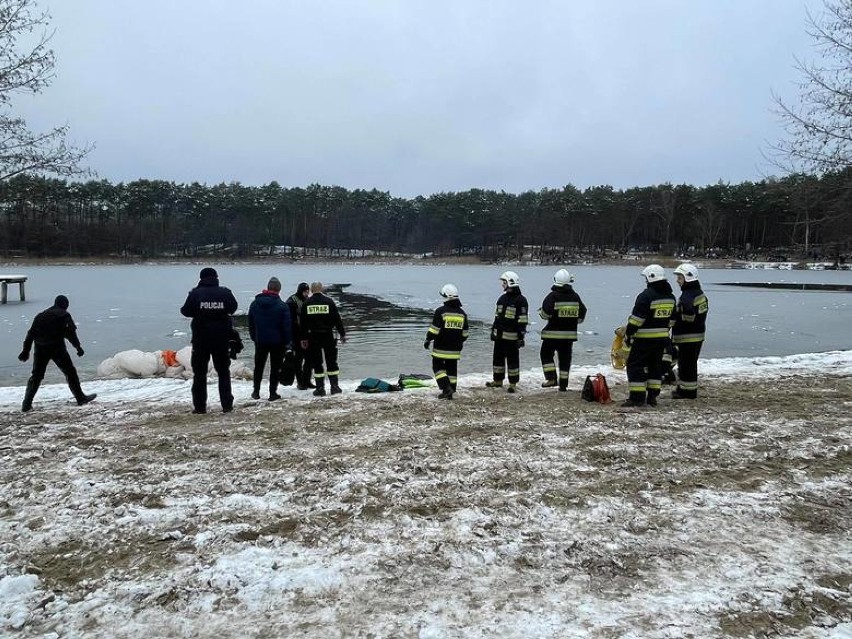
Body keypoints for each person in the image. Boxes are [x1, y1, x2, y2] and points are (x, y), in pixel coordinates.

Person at [18, 295, 96, 412]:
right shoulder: (64, 315)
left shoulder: (40, 316)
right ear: (65, 305)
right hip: (56, 348)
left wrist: (25, 351)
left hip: (40, 348)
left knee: (37, 376)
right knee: (70, 372)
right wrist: (78, 347)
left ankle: (26, 404)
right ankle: (80, 398)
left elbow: (30, 334)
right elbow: (70, 333)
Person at [180, 267, 239, 414]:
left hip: (201, 340)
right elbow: (233, 308)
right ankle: (227, 405)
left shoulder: (195, 294)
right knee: (223, 372)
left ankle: (200, 407)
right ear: (216, 278)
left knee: (199, 374)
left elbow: (185, 311)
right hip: (221, 339)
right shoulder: (225, 292)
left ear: (201, 279)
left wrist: (200, 311)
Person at [621, 264, 676, 408]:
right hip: (662, 340)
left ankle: (637, 398)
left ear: (651, 278)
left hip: (643, 340)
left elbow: (636, 320)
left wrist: (628, 333)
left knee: (634, 366)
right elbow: (672, 320)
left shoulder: (646, 296)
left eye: (646, 278)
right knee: (655, 367)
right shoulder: (671, 297)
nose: (645, 281)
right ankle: (652, 397)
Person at [538, 269, 587, 391]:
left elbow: (545, 314)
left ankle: (551, 379)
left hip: (552, 335)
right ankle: (564, 384)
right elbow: (582, 313)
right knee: (565, 359)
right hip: (568, 336)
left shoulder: (552, 296)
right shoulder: (575, 297)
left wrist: (541, 312)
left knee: (545, 354)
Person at [248, 277, 293, 401]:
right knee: (275, 368)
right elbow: (287, 327)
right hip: (277, 342)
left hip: (260, 340)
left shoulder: (255, 304)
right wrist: (288, 342)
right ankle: (272, 393)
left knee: (259, 366)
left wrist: (254, 337)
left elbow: (251, 323)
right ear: (279, 290)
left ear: (267, 288)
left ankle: (256, 391)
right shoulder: (282, 306)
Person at [424, 283, 469, 400]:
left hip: (440, 348)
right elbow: (465, 334)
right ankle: (452, 389)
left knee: (438, 367)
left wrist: (428, 339)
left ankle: (445, 388)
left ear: (445, 296)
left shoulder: (441, 312)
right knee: (452, 370)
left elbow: (434, 330)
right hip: (455, 350)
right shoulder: (462, 313)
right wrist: (458, 341)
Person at [300, 282, 346, 397]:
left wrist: (303, 338)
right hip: (328, 336)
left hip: (313, 336)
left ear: (311, 290)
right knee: (331, 362)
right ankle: (334, 387)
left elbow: (303, 324)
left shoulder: (307, 303)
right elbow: (337, 319)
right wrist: (342, 334)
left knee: (317, 363)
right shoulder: (329, 302)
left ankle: (320, 388)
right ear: (321, 289)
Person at [485, 270, 528, 393]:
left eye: (504, 282)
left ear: (510, 282)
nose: (502, 285)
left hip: (512, 338)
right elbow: (497, 317)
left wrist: (521, 337)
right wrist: (493, 331)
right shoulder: (502, 299)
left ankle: (513, 383)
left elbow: (523, 320)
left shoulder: (521, 300)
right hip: (499, 337)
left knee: (513, 361)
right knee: (497, 359)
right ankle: (498, 380)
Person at [671, 263, 709, 399]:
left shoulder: (688, 296)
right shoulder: (700, 294)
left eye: (680, 278)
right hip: (698, 336)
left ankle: (687, 392)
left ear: (688, 278)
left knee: (686, 365)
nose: (677, 281)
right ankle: (686, 389)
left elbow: (688, 317)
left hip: (687, 337)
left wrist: (675, 316)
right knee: (689, 364)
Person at [286, 282, 313, 389]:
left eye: (308, 291)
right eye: (305, 291)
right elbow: (291, 321)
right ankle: (300, 382)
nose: (307, 293)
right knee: (298, 359)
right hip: (296, 335)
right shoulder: (291, 301)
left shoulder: (307, 300)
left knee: (309, 359)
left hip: (306, 334)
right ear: (301, 291)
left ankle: (307, 380)